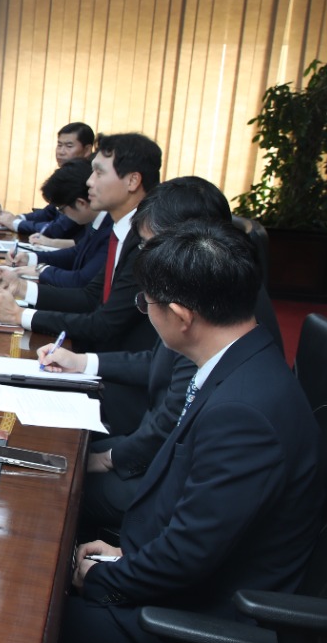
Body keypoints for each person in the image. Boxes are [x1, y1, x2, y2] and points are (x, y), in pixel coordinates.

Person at [60, 220, 320, 643]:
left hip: (201, 634)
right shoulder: (243, 361)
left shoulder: (243, 414)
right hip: (190, 587)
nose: (145, 312)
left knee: (25, 613)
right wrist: (125, 557)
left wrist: (102, 580)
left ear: (181, 316)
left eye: (147, 303)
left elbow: (188, 555)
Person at [34, 178, 283, 538]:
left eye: (152, 245)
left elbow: (175, 420)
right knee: (54, 448)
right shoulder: (212, 286)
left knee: (55, 483)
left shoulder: (214, 310)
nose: (145, 258)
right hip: (165, 445)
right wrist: (82, 362)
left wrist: (108, 460)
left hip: (178, 473)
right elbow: (158, 363)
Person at [0, 132, 161, 353]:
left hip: (116, 360)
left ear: (132, 181)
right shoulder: (122, 229)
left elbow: (105, 324)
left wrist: (18, 315)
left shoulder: (147, 241)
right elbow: (90, 297)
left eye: (99, 172)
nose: (89, 181)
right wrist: (20, 287)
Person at [0, 158, 103, 292]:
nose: (91, 182)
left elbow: (80, 280)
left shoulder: (109, 229)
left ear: (81, 203)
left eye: (61, 210)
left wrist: (38, 270)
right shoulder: (95, 222)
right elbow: (76, 253)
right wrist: (30, 258)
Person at [0, 121, 96, 235]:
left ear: (87, 150)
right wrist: (18, 218)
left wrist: (14, 223)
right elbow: (50, 211)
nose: (61, 152)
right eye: (59, 145)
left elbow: (59, 228)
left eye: (69, 146)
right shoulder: (66, 175)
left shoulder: (86, 179)